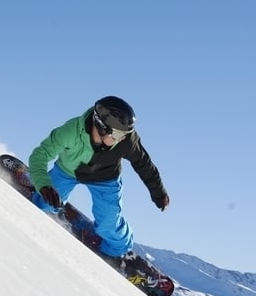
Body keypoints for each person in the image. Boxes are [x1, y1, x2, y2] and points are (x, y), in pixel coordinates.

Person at [27, 96, 171, 267]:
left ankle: (119, 252)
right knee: (45, 204)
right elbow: (40, 155)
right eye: (118, 134)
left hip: (105, 179)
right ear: (102, 127)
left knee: (108, 224)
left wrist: (159, 193)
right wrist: (43, 185)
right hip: (67, 171)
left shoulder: (127, 141)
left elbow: (144, 164)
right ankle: (40, 196)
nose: (122, 138)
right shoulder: (71, 131)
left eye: (125, 134)